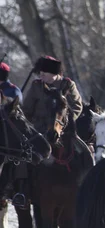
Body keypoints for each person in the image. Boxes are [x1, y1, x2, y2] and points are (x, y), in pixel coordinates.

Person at [12, 55, 84, 208]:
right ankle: (23, 191)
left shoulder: (68, 85)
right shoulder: (37, 86)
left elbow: (77, 106)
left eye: (44, 74)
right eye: (41, 74)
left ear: (54, 74)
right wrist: (30, 127)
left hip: (63, 129)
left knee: (85, 152)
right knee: (24, 156)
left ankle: (86, 186)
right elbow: (27, 110)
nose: (41, 76)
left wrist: (63, 122)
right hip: (39, 131)